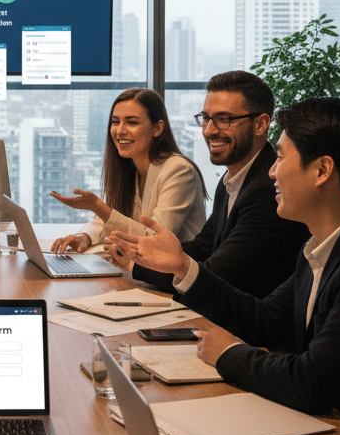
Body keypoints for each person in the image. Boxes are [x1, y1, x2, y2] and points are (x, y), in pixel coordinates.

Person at [112, 97, 340, 435]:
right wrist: (183, 268)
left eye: (280, 157)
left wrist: (228, 354)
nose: (272, 172)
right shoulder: (325, 242)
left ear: (322, 170)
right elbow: (264, 320)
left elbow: (312, 382)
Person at [106, 70, 308, 297]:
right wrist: (145, 254)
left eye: (224, 119)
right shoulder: (230, 180)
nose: (209, 130)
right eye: (206, 118)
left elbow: (217, 275)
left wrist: (137, 266)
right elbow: (203, 247)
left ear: (260, 124)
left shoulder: (270, 189)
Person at [49, 88, 206, 253]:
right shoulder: (128, 167)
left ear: (157, 128)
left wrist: (98, 207)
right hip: (136, 266)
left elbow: (155, 240)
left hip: (175, 269)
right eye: (116, 122)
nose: (120, 131)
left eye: (132, 122)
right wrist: (84, 237)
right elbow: (104, 222)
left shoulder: (179, 171)